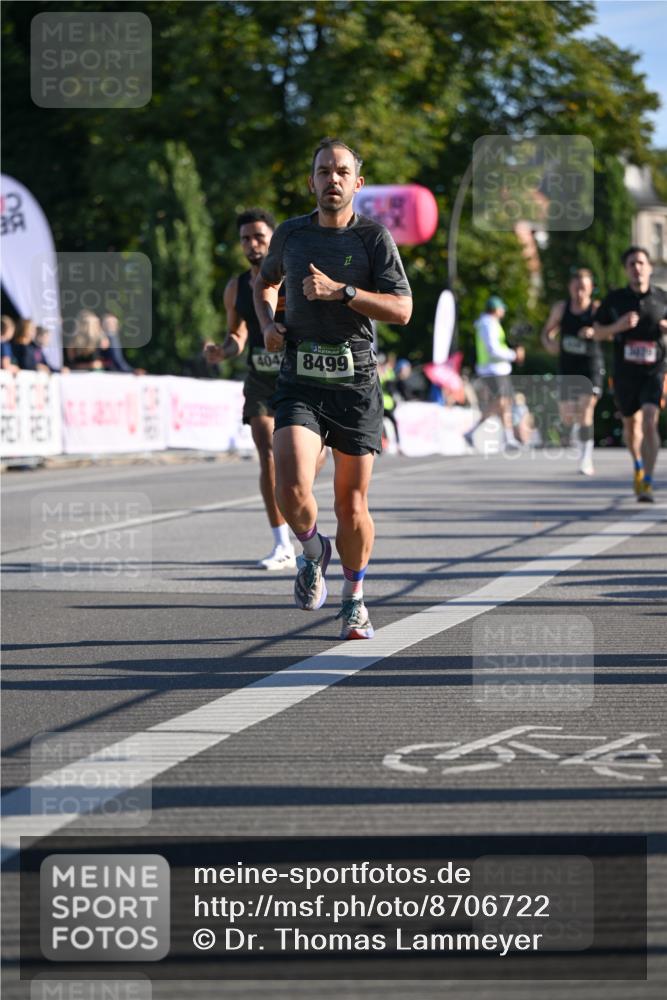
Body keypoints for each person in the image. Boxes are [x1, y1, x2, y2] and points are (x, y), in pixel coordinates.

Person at [253, 137, 412, 638]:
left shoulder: (373, 240)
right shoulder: (292, 235)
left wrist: (342, 293)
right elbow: (265, 283)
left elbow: (403, 309)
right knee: (290, 482)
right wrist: (268, 326)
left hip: (356, 383)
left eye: (342, 171)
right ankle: (312, 548)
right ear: (312, 181)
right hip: (300, 377)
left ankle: (355, 597)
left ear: (357, 183)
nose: (332, 179)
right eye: (324, 171)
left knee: (352, 504)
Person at [204, 208, 306, 570]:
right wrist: (222, 350)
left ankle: (301, 513)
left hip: (299, 379)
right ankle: (282, 544)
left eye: (259, 237)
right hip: (261, 381)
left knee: (301, 465)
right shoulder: (236, 287)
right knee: (268, 454)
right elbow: (238, 336)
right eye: (246, 238)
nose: (252, 244)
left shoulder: (293, 277)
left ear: (273, 238)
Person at [594, 246, 667, 502]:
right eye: (632, 264)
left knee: (649, 420)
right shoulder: (615, 300)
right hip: (625, 373)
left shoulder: (662, 298)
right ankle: (637, 464)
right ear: (626, 270)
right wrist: (617, 326)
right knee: (630, 426)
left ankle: (647, 480)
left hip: (654, 370)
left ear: (649, 267)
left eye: (641, 263)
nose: (637, 268)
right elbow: (597, 332)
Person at [542, 267, 603, 475]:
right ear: (570, 288)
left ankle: (586, 459)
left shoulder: (596, 309)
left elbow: (610, 333)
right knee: (568, 415)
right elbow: (547, 332)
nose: (579, 292)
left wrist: (594, 332)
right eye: (576, 288)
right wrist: (549, 343)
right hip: (568, 367)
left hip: (590, 366)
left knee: (586, 409)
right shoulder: (561, 308)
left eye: (584, 288)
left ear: (590, 289)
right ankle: (578, 431)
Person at [464, 296, 525, 451]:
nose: (503, 311)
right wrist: (513, 355)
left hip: (495, 370)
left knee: (504, 405)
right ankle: (478, 432)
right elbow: (493, 349)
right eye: (501, 308)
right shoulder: (488, 324)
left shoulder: (489, 323)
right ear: (496, 309)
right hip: (493, 370)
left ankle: (507, 438)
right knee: (502, 403)